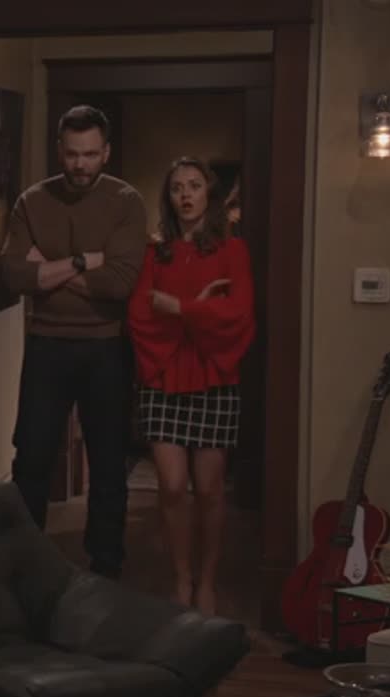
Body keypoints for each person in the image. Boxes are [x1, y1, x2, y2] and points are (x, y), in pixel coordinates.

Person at [0, 104, 148, 578]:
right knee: (32, 458)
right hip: (47, 344)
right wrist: (86, 261)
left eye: (90, 154)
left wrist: (49, 270)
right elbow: (14, 275)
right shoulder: (32, 201)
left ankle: (106, 568)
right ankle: (25, 564)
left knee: (108, 464)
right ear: (59, 150)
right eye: (72, 154)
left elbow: (120, 283)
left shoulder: (126, 202)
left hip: (106, 346)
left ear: (106, 153)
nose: (80, 164)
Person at [127, 157, 255, 614]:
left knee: (210, 490)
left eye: (194, 186)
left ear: (209, 194)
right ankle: (181, 578)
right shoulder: (154, 253)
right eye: (177, 187)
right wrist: (201, 312)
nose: (185, 195)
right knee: (172, 485)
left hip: (213, 377)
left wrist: (183, 309)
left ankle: (208, 581)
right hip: (164, 378)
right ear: (169, 197)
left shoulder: (231, 250)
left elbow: (238, 314)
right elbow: (140, 315)